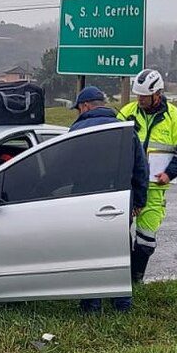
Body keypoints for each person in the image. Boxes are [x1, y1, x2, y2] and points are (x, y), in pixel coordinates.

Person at [69, 85, 149, 313]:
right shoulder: (125, 129)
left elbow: (66, 168)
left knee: (89, 252)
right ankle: (122, 303)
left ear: (84, 107)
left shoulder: (77, 130)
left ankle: (91, 305)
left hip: (85, 201)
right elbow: (140, 168)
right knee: (120, 250)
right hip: (120, 202)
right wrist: (138, 201)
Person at [117, 68, 177, 283]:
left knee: (146, 240)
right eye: (138, 95)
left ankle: (136, 279)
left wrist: (169, 174)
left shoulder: (173, 116)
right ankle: (125, 281)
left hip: (154, 188)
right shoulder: (127, 112)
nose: (140, 99)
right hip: (128, 186)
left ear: (157, 94)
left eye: (144, 96)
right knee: (118, 235)